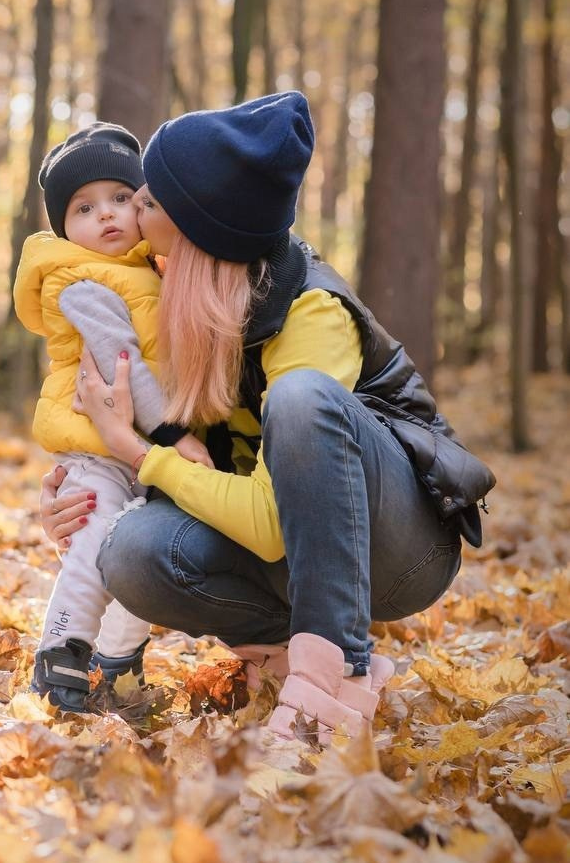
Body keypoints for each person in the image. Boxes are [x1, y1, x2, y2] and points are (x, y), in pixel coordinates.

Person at [40, 92, 495, 742]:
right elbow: (124, 420)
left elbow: (267, 521)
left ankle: (332, 675)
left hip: (398, 550)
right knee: (133, 552)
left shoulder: (308, 309)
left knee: (299, 399)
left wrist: (140, 454)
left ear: (197, 225)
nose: (132, 205)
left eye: (148, 199)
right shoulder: (167, 296)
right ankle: (281, 654)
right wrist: (81, 487)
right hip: (285, 548)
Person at [13, 121, 211, 712]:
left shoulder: (149, 269)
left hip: (139, 444)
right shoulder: (80, 281)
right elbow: (124, 367)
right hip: (98, 446)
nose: (105, 215)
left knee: (134, 562)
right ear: (62, 228)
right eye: (83, 208)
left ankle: (119, 663)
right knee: (96, 533)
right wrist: (175, 435)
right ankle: (61, 648)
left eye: (121, 198)